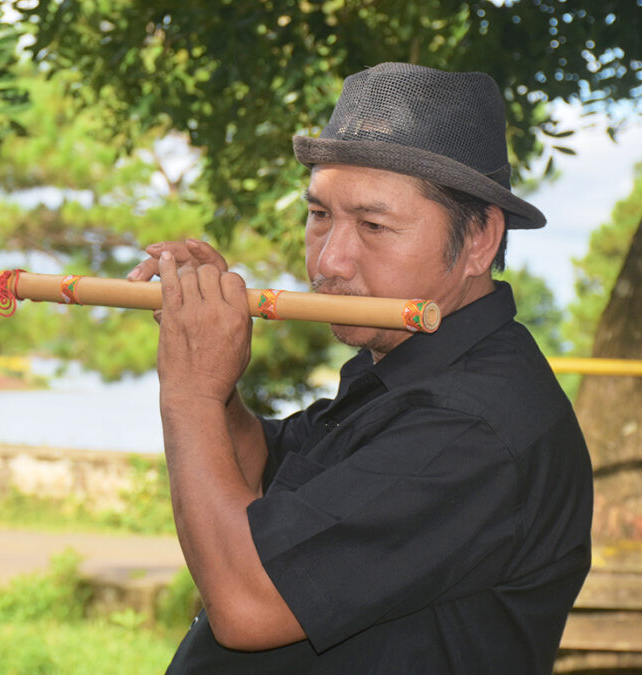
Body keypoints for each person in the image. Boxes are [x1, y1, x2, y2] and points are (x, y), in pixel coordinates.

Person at [126, 62, 593, 673]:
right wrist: (213, 382)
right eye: (320, 215)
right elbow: (262, 480)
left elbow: (248, 604)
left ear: (480, 240)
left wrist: (189, 392)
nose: (332, 260)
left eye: (374, 225)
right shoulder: (406, 372)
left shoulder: (471, 421)